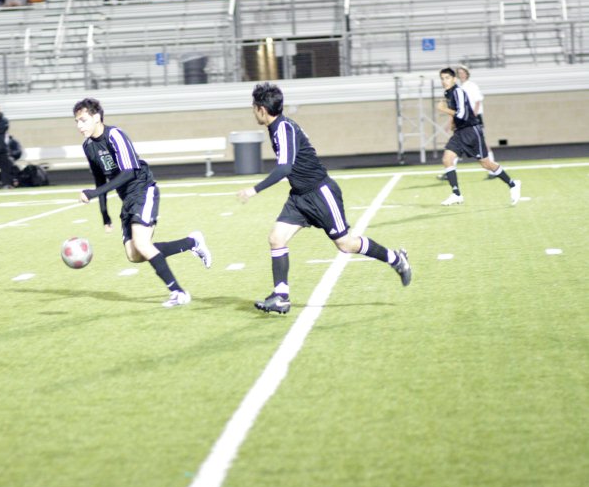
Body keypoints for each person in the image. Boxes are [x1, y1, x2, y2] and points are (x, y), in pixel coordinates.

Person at [237, 83, 411, 314]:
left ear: (261, 109)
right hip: (299, 196)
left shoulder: (282, 128)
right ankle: (281, 297)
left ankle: (395, 258)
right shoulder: (277, 127)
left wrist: (254, 189)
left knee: (346, 244)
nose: (253, 111)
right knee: (276, 238)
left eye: (253, 107)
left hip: (320, 193)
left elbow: (284, 168)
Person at [74, 97, 212, 308]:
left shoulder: (115, 135)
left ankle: (178, 292)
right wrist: (104, 213)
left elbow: (129, 172)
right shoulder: (88, 146)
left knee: (142, 243)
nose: (79, 125)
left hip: (142, 190)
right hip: (126, 198)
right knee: (134, 255)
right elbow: (99, 179)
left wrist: (93, 194)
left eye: (83, 120)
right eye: (76, 121)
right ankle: (192, 243)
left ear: (96, 117)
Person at [435, 67, 521, 206]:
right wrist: (452, 123)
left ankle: (513, 184)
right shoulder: (448, 93)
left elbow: (462, 114)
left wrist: (443, 109)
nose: (444, 81)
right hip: (459, 132)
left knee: (486, 164)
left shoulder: (458, 92)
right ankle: (456, 194)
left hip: (471, 131)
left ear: (454, 79)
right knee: (447, 159)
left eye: (447, 78)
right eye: (442, 78)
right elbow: (456, 113)